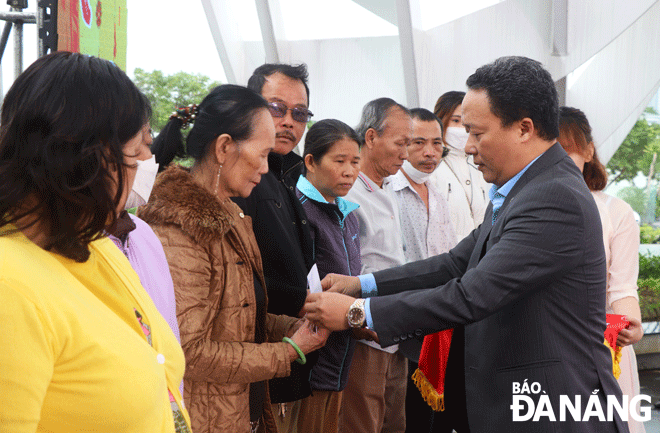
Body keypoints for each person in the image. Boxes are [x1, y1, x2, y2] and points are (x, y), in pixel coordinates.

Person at [303, 56, 629, 433]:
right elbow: (455, 263)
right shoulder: (521, 188)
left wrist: (357, 312)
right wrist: (360, 284)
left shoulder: (553, 197)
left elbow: (472, 294)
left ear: (524, 128)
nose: (467, 147)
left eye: (477, 133)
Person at [0, 51, 191, 433]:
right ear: (83, 156)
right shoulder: (10, 288)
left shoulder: (97, 244)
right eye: (135, 154)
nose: (143, 166)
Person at [139, 84, 328, 433]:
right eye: (262, 154)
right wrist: (286, 351)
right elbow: (189, 351)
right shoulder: (178, 228)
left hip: (238, 409)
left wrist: (292, 328)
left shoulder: (231, 214)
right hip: (203, 416)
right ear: (224, 147)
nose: (267, 168)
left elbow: (238, 316)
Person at [236, 63, 317, 430]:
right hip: (256, 364)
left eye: (299, 113)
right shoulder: (242, 178)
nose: (288, 121)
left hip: (294, 351)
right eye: (276, 108)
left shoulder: (286, 173)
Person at [559, 106, 645, 433]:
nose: (559, 159)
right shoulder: (520, 205)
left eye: (567, 149)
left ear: (588, 150)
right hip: (546, 346)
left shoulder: (616, 211)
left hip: (605, 348)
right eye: (549, 150)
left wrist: (632, 325)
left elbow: (622, 287)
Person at [340, 97, 412, 433]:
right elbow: (347, 267)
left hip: (394, 326)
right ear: (371, 137)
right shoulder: (349, 193)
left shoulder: (386, 189)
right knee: (363, 422)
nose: (406, 154)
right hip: (365, 331)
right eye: (400, 143)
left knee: (393, 422)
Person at [389, 108, 457, 433]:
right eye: (418, 142)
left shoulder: (439, 196)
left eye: (436, 143)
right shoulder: (389, 192)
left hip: (439, 326)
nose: (429, 152)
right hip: (402, 329)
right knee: (407, 420)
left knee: (436, 422)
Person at [294, 119, 363, 433]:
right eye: (339, 161)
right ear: (310, 161)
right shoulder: (301, 211)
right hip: (310, 358)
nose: (349, 171)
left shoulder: (347, 213)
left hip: (341, 354)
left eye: (355, 162)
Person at [431, 91, 490, 240]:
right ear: (440, 121)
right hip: (450, 255)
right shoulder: (432, 167)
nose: (461, 129)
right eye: (455, 121)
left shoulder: (480, 163)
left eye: (466, 124)